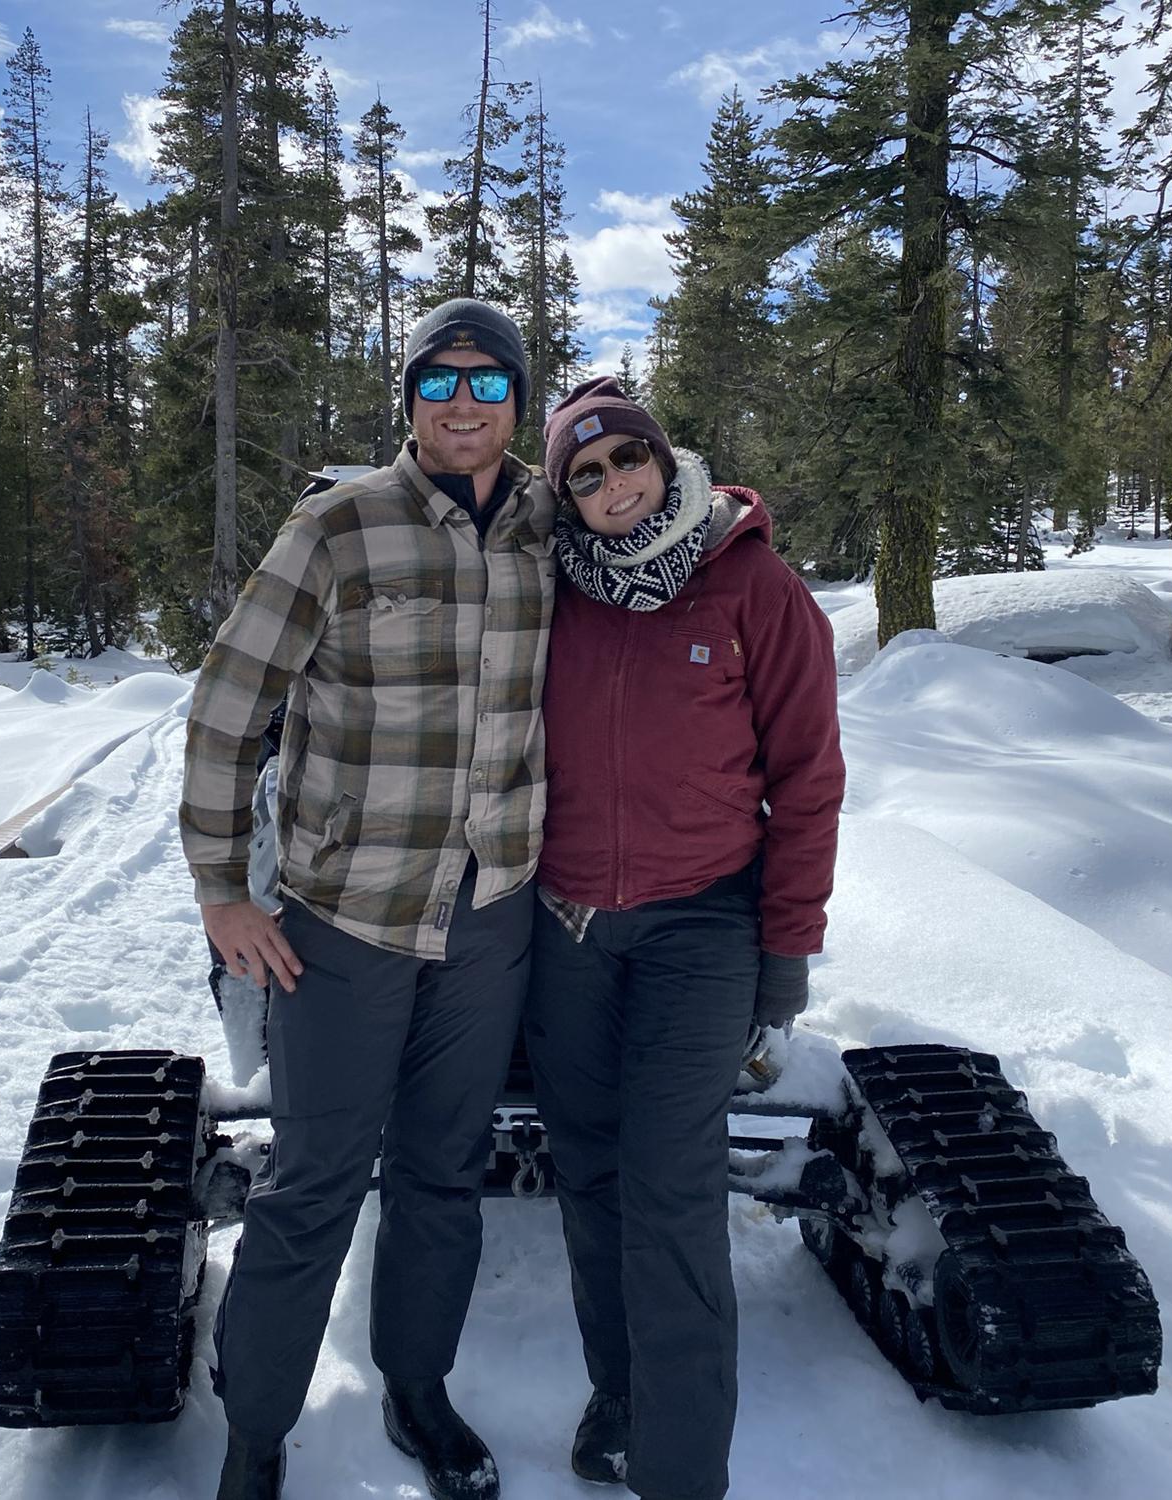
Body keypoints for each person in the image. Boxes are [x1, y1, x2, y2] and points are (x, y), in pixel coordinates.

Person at [180, 298, 558, 1500]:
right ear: (406, 399)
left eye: (486, 384)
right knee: (313, 1183)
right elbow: (227, 709)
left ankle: (417, 1387)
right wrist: (220, 892)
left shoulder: (552, 526)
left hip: (492, 914)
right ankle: (254, 1440)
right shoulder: (338, 527)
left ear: (517, 401)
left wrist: (735, 524)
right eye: (437, 382)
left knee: (444, 1174)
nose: (461, 404)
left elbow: (666, 534)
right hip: (342, 921)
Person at [524, 377, 844, 1500]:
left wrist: (785, 945)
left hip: (700, 927)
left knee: (666, 1188)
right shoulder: (546, 593)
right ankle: (619, 1394)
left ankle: (679, 1467)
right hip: (561, 930)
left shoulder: (751, 587)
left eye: (627, 461)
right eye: (585, 473)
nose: (612, 486)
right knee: (590, 1175)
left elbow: (807, 781)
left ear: (666, 461)